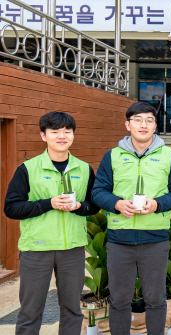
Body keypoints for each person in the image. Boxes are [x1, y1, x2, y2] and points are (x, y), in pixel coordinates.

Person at [92, 101, 171, 335]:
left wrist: (157, 204)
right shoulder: (112, 156)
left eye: (149, 120)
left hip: (155, 239)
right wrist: (116, 204)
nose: (143, 124)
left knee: (156, 299)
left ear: (155, 125)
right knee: (118, 300)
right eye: (137, 119)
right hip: (119, 240)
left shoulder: (170, 156)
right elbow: (98, 191)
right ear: (127, 125)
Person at [4, 111, 100, 334]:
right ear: (43, 136)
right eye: (55, 131)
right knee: (30, 311)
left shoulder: (84, 169)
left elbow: (93, 205)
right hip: (37, 248)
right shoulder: (27, 169)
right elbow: (12, 208)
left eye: (67, 131)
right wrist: (49, 203)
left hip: (73, 249)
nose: (62, 136)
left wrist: (79, 207)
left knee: (72, 309)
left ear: (73, 135)